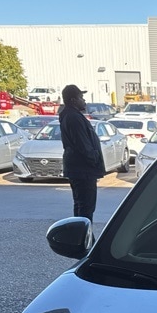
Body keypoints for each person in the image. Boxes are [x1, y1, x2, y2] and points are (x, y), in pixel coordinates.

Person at [58, 84, 106, 222]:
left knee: (82, 205)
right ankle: (84, 239)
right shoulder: (73, 117)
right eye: (81, 97)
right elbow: (83, 144)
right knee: (85, 207)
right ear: (73, 100)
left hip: (79, 169)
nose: (84, 101)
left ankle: (82, 236)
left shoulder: (71, 115)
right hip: (83, 170)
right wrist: (94, 159)